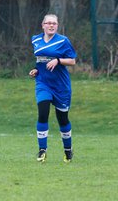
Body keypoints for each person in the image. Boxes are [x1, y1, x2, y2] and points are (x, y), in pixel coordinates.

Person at [29, 14, 77, 163]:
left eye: (54, 23)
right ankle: (42, 150)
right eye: (48, 23)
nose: (51, 26)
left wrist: (58, 60)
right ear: (42, 25)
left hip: (61, 86)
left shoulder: (63, 41)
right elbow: (41, 61)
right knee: (43, 113)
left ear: (57, 26)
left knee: (62, 119)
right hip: (43, 83)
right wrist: (36, 70)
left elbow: (72, 61)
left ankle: (68, 150)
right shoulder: (35, 40)